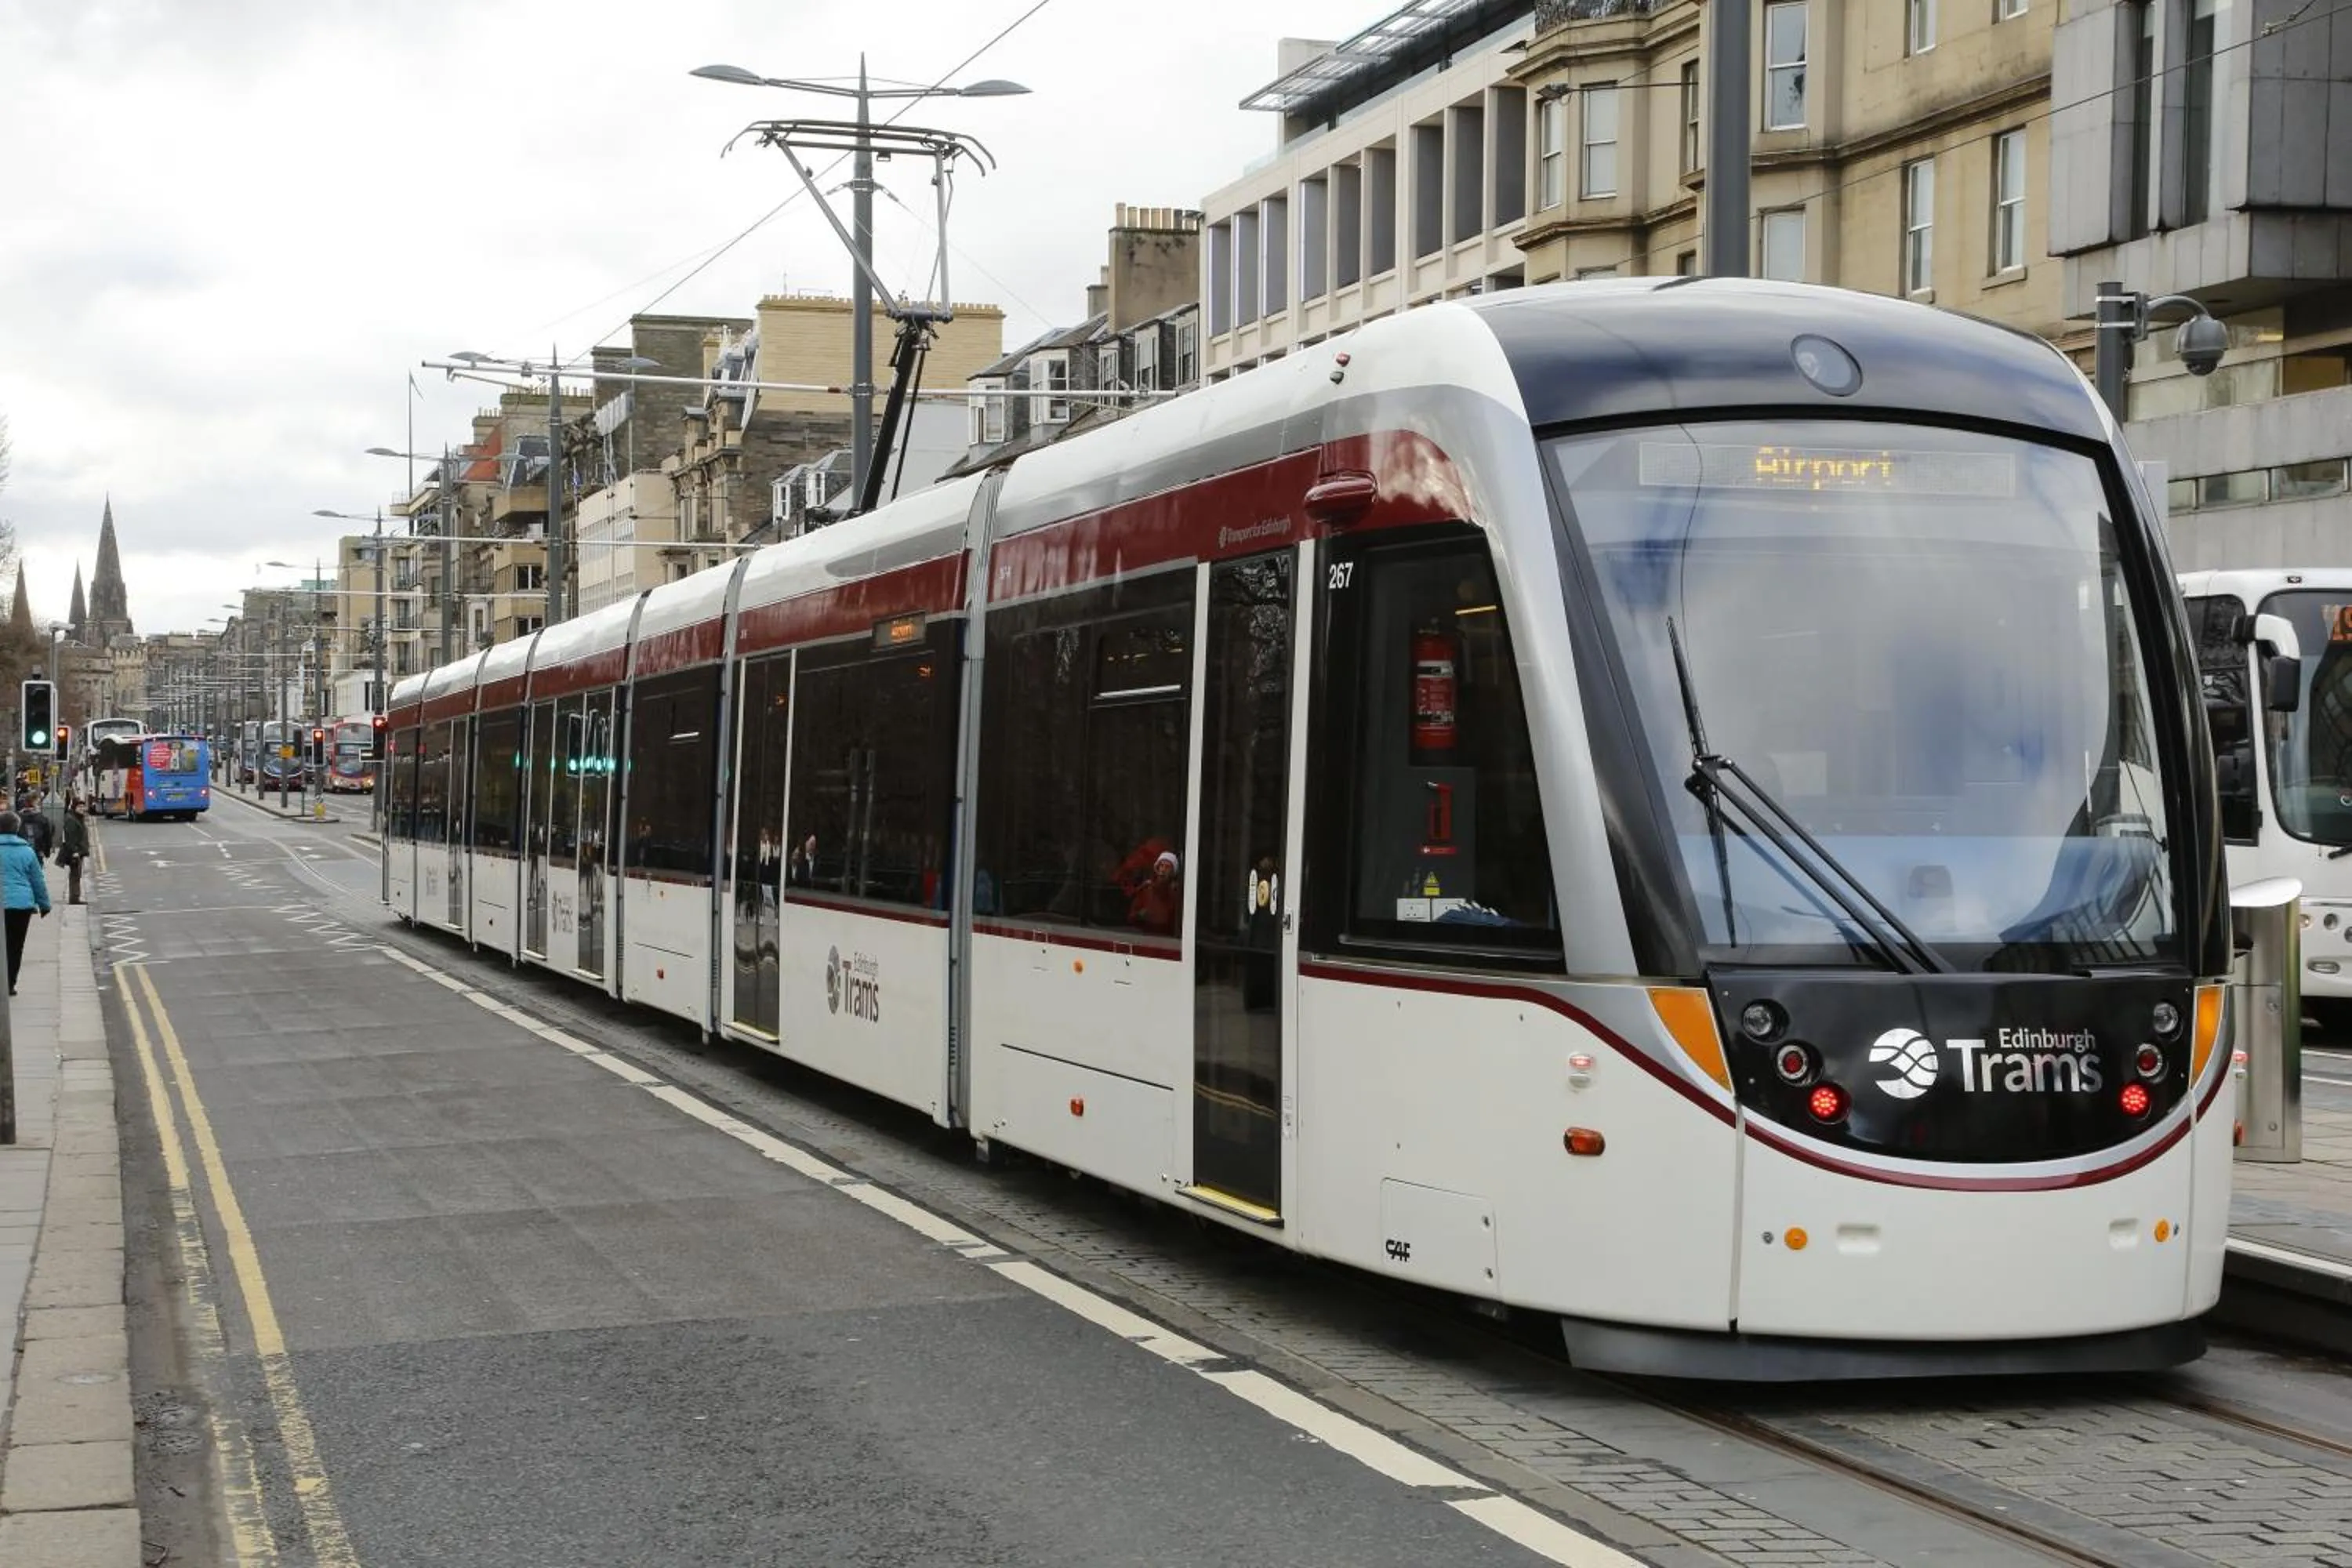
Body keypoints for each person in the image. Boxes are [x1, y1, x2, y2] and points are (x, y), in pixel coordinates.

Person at [0, 810, 50, 996]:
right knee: (15, 946)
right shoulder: (26, 851)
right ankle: (10, 983)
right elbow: (37, 881)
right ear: (17, 829)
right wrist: (45, 904)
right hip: (21, 906)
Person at [59, 795, 89, 906]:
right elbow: (70, 838)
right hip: (75, 853)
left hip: (79, 852)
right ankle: (74, 898)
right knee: (75, 875)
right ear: (74, 807)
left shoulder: (77, 817)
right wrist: (75, 852)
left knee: (76, 875)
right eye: (79, 807)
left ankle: (75, 896)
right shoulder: (72, 820)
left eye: (83, 807)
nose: (82, 809)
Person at [16, 793, 53, 863]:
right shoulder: (42, 819)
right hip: (37, 851)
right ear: (35, 804)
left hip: (21, 850)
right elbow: (47, 837)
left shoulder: (18, 817)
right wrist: (46, 852)